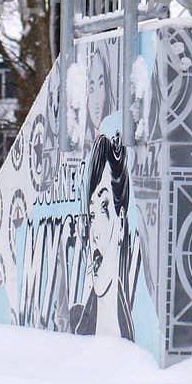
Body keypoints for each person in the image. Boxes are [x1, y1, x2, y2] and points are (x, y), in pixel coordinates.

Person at [71, 133, 136, 339]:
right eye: (91, 215)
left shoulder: (135, 346)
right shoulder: (75, 324)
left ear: (122, 224)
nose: (94, 232)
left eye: (104, 207)